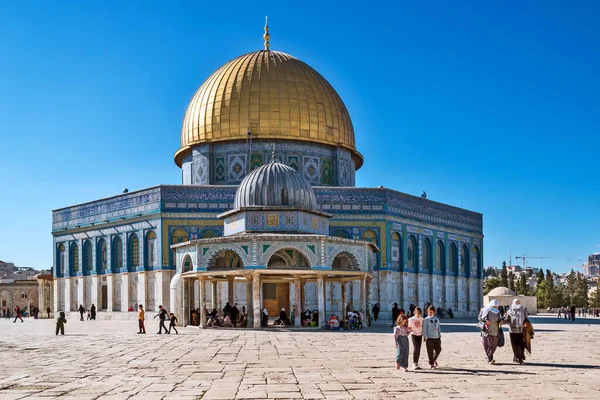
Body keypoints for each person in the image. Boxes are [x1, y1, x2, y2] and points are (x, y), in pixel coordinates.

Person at [501, 298, 528, 364]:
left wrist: (525, 323)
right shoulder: (510, 311)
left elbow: (526, 318)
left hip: (521, 330)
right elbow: (507, 319)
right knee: (515, 345)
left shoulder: (523, 310)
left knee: (521, 345)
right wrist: (502, 322)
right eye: (516, 302)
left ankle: (518, 357)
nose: (518, 303)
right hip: (513, 330)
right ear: (513, 303)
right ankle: (518, 358)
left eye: (519, 302)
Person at [478, 299, 501, 364]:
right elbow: (480, 318)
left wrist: (500, 321)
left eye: (496, 307)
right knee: (487, 344)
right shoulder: (484, 310)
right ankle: (490, 358)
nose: (495, 308)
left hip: (495, 330)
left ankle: (490, 357)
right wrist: (486, 321)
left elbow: (499, 319)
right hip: (487, 330)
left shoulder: (497, 311)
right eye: (494, 307)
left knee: (494, 345)